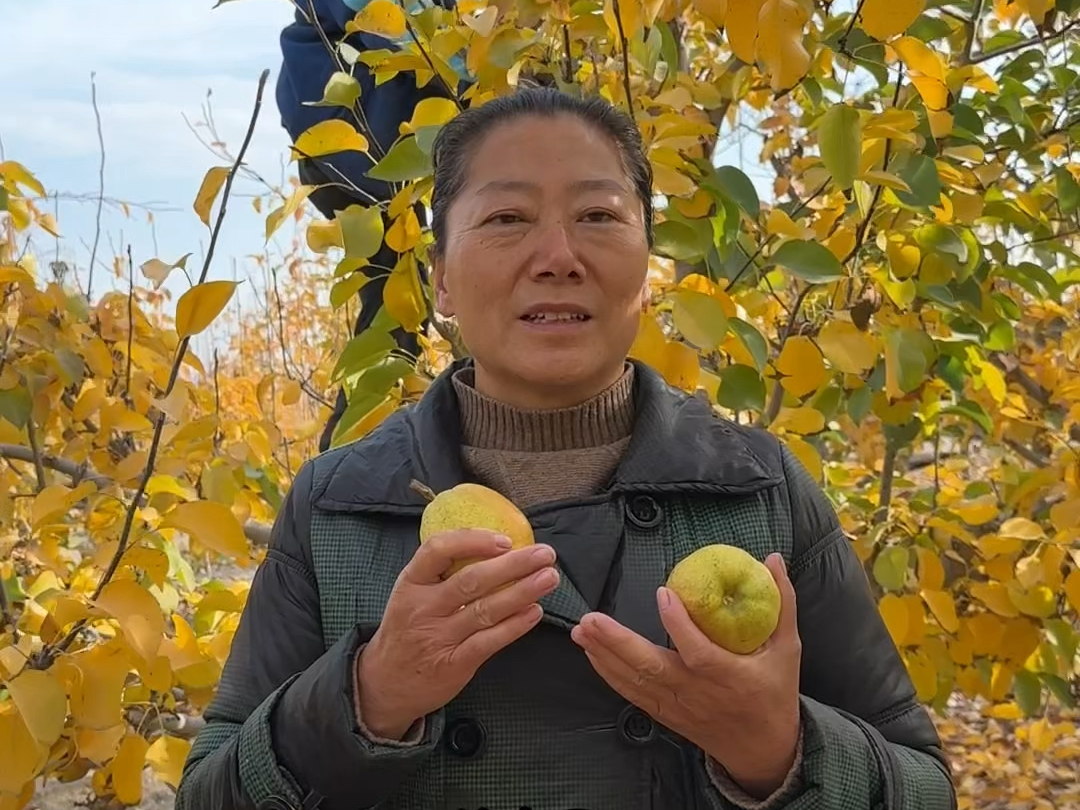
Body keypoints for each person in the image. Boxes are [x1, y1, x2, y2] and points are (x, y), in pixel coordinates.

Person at [175, 87, 957, 810]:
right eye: (508, 219)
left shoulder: (758, 489)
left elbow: (924, 785)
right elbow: (207, 792)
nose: (557, 255)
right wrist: (367, 697)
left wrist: (778, 751)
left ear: (647, 268)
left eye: (599, 217)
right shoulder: (338, 503)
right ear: (442, 280)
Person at [276, 0, 461, 451]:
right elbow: (393, 30)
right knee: (399, 309)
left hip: (356, 149)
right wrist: (475, 67)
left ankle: (350, 452)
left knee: (397, 308)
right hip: (351, 142)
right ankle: (346, 461)